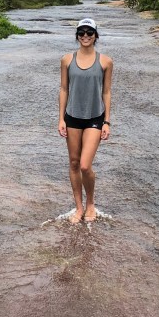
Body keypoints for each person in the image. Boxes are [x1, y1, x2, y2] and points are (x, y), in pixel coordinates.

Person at [58, 17, 113, 222]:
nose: (85, 36)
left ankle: (90, 204)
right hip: (72, 117)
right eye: (81, 33)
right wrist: (61, 119)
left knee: (84, 165)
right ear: (77, 36)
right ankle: (79, 208)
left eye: (89, 33)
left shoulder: (105, 61)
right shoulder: (67, 60)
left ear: (95, 36)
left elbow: (106, 92)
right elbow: (64, 89)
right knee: (73, 163)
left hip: (95, 118)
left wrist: (107, 121)